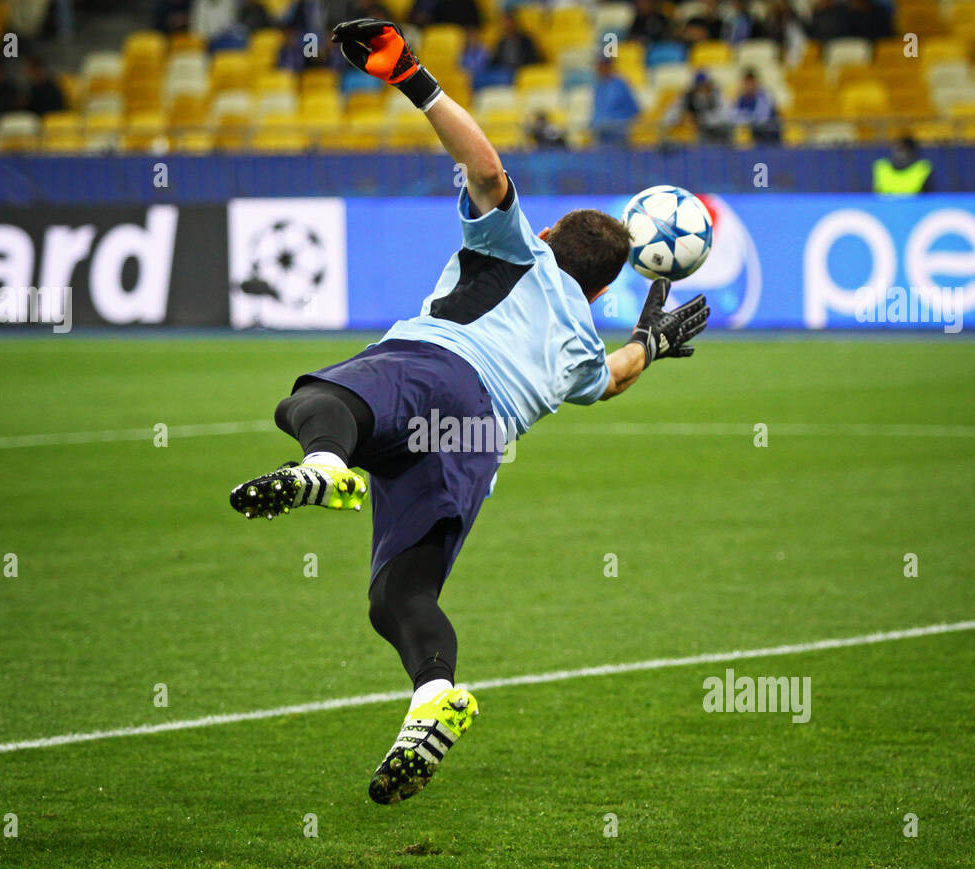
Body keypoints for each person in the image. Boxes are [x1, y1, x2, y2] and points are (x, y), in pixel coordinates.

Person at [230, 17, 709, 806]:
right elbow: (613, 379)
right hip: (478, 446)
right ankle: (432, 699)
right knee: (402, 597)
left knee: (314, 400)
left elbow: (483, 166)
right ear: (598, 293)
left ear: (549, 234)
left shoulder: (518, 248)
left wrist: (411, 74)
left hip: (438, 368)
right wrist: (651, 345)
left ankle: (323, 465)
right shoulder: (582, 342)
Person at [589, 56, 640, 145]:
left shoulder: (621, 85)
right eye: (597, 66)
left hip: (618, 135)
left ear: (609, 66)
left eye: (601, 65)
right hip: (600, 136)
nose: (598, 69)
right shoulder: (598, 87)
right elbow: (597, 112)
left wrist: (620, 124)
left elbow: (634, 110)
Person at [730, 68, 779, 143]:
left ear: (755, 83)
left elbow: (762, 117)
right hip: (754, 135)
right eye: (746, 83)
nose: (748, 86)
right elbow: (733, 114)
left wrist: (746, 118)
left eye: (750, 83)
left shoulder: (764, 95)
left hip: (769, 136)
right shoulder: (741, 97)